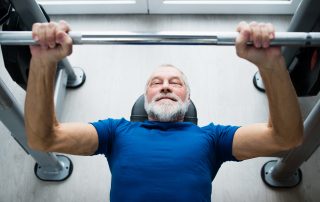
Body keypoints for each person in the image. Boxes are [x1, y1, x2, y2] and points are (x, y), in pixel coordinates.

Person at [25, 20, 303, 201]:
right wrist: (43, 62)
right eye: (156, 83)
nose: (166, 87)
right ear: (145, 97)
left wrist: (270, 64)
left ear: (188, 97)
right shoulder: (115, 131)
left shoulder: (214, 138)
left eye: (176, 83)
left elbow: (285, 138)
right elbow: (44, 139)